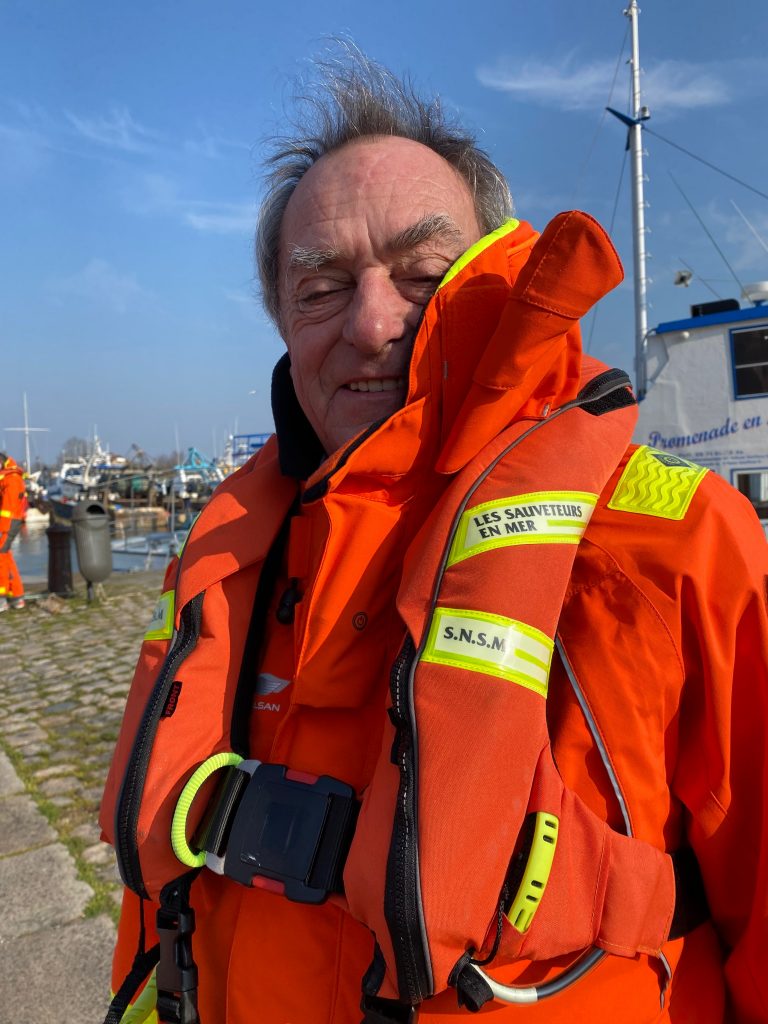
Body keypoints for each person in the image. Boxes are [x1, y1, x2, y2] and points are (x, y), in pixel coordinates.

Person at [100, 54, 768, 1024]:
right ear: (282, 320)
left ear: (493, 283)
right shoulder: (223, 560)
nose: (372, 323)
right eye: (320, 286)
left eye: (422, 275)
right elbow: (158, 911)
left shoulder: (683, 546)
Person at [0, 453, 26, 612]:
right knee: (6, 556)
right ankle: (17, 597)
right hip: (8, 523)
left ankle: (2, 599)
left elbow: (8, 510)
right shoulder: (7, 478)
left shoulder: (12, 479)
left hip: (7, 524)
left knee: (1, 559)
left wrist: (3, 529)